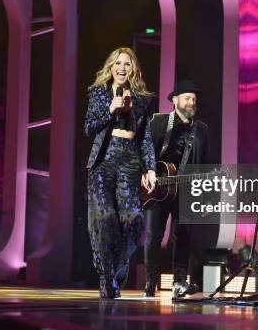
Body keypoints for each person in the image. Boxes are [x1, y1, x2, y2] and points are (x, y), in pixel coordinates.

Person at [85, 47, 157, 298]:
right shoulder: (98, 93)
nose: (121, 68)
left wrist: (150, 168)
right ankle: (106, 278)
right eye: (117, 63)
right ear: (110, 67)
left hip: (129, 159)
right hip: (103, 160)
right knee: (104, 220)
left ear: (133, 68)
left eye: (127, 64)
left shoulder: (142, 99)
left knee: (133, 220)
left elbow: (146, 137)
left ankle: (119, 266)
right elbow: (89, 127)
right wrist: (110, 110)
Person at [142, 80, 210, 298]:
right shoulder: (159, 122)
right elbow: (144, 153)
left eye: (194, 100)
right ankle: (150, 282)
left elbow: (206, 166)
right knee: (154, 236)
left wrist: (206, 198)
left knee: (184, 235)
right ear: (175, 100)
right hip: (158, 189)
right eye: (188, 98)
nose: (192, 103)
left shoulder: (201, 130)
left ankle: (179, 282)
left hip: (186, 191)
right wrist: (147, 172)